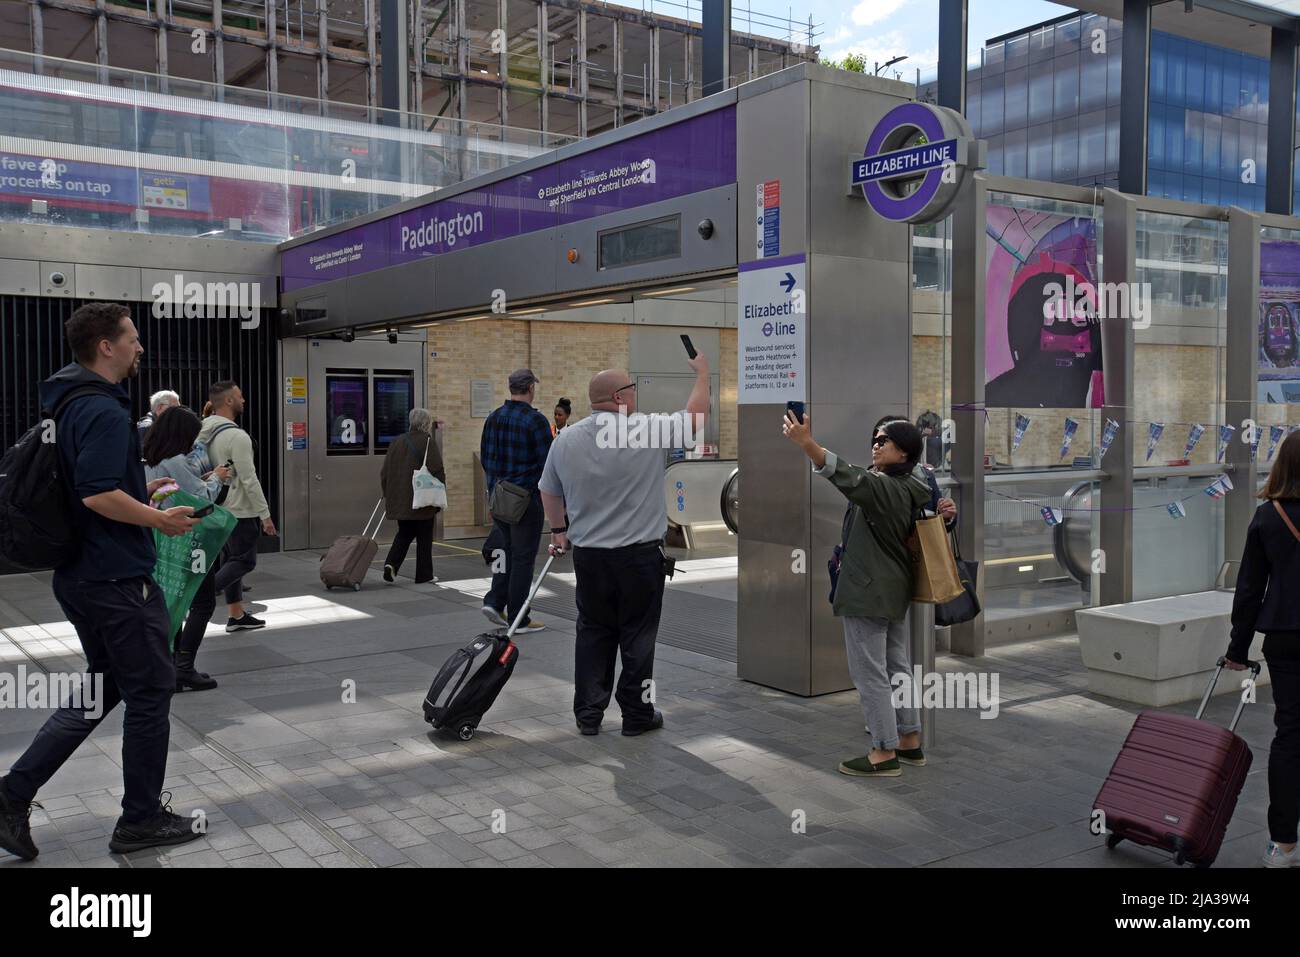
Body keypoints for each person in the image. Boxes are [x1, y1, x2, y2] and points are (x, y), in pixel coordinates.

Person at [0, 302, 202, 861]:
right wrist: (158, 518)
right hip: (115, 580)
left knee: (103, 689)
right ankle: (139, 820)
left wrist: (141, 499)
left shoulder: (64, 404)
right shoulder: (105, 410)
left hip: (81, 575)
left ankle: (12, 793)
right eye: (132, 339)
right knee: (149, 695)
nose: (140, 348)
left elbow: (90, 491)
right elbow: (94, 493)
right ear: (106, 347)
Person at [540, 354, 711, 736]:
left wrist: (557, 530)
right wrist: (702, 374)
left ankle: (588, 714)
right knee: (638, 637)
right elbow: (697, 419)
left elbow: (548, 491)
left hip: (590, 559)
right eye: (632, 389)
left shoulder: (565, 439)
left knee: (593, 632)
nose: (636, 394)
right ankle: (637, 715)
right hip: (638, 559)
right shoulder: (646, 430)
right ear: (620, 397)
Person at [784, 413, 932, 777]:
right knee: (896, 664)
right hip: (894, 589)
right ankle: (909, 739)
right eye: (875, 439)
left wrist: (807, 444)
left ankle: (884, 750)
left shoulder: (886, 488)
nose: (876, 445)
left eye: (885, 441)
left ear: (904, 454)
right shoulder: (913, 485)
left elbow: (846, 476)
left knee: (869, 673)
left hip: (868, 591)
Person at [1224, 430, 1300, 868]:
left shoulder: (1267, 518)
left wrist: (1239, 646)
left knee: (1291, 736)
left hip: (1286, 639)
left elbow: (1250, 590)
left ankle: (1282, 844)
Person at [143, 406, 233, 692]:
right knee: (202, 602)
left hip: (159, 537)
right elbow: (201, 500)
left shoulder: (150, 459)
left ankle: (169, 665)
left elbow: (172, 491)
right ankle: (184, 667)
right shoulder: (177, 460)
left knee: (173, 601)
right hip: (186, 537)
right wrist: (217, 477)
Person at [198, 380, 275, 632]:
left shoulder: (201, 430)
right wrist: (265, 515)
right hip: (239, 509)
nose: (243, 400)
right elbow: (248, 478)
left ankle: (236, 615)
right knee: (244, 560)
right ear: (229, 401)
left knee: (230, 558)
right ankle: (198, 595)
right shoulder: (236, 436)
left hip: (213, 506)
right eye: (240, 396)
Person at [479, 369, 552, 633]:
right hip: (525, 500)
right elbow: (548, 465)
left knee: (505, 551)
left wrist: (495, 488)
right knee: (523, 558)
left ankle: (495, 601)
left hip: (499, 498)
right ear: (531, 388)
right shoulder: (536, 421)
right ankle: (519, 617)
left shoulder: (493, 417)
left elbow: (485, 459)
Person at [380, 408, 445, 584]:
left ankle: (391, 564)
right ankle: (424, 575)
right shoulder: (427, 441)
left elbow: (385, 472)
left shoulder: (397, 441)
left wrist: (388, 493)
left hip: (401, 498)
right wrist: (440, 495)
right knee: (424, 536)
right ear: (425, 423)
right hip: (422, 498)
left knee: (405, 533)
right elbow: (437, 469)